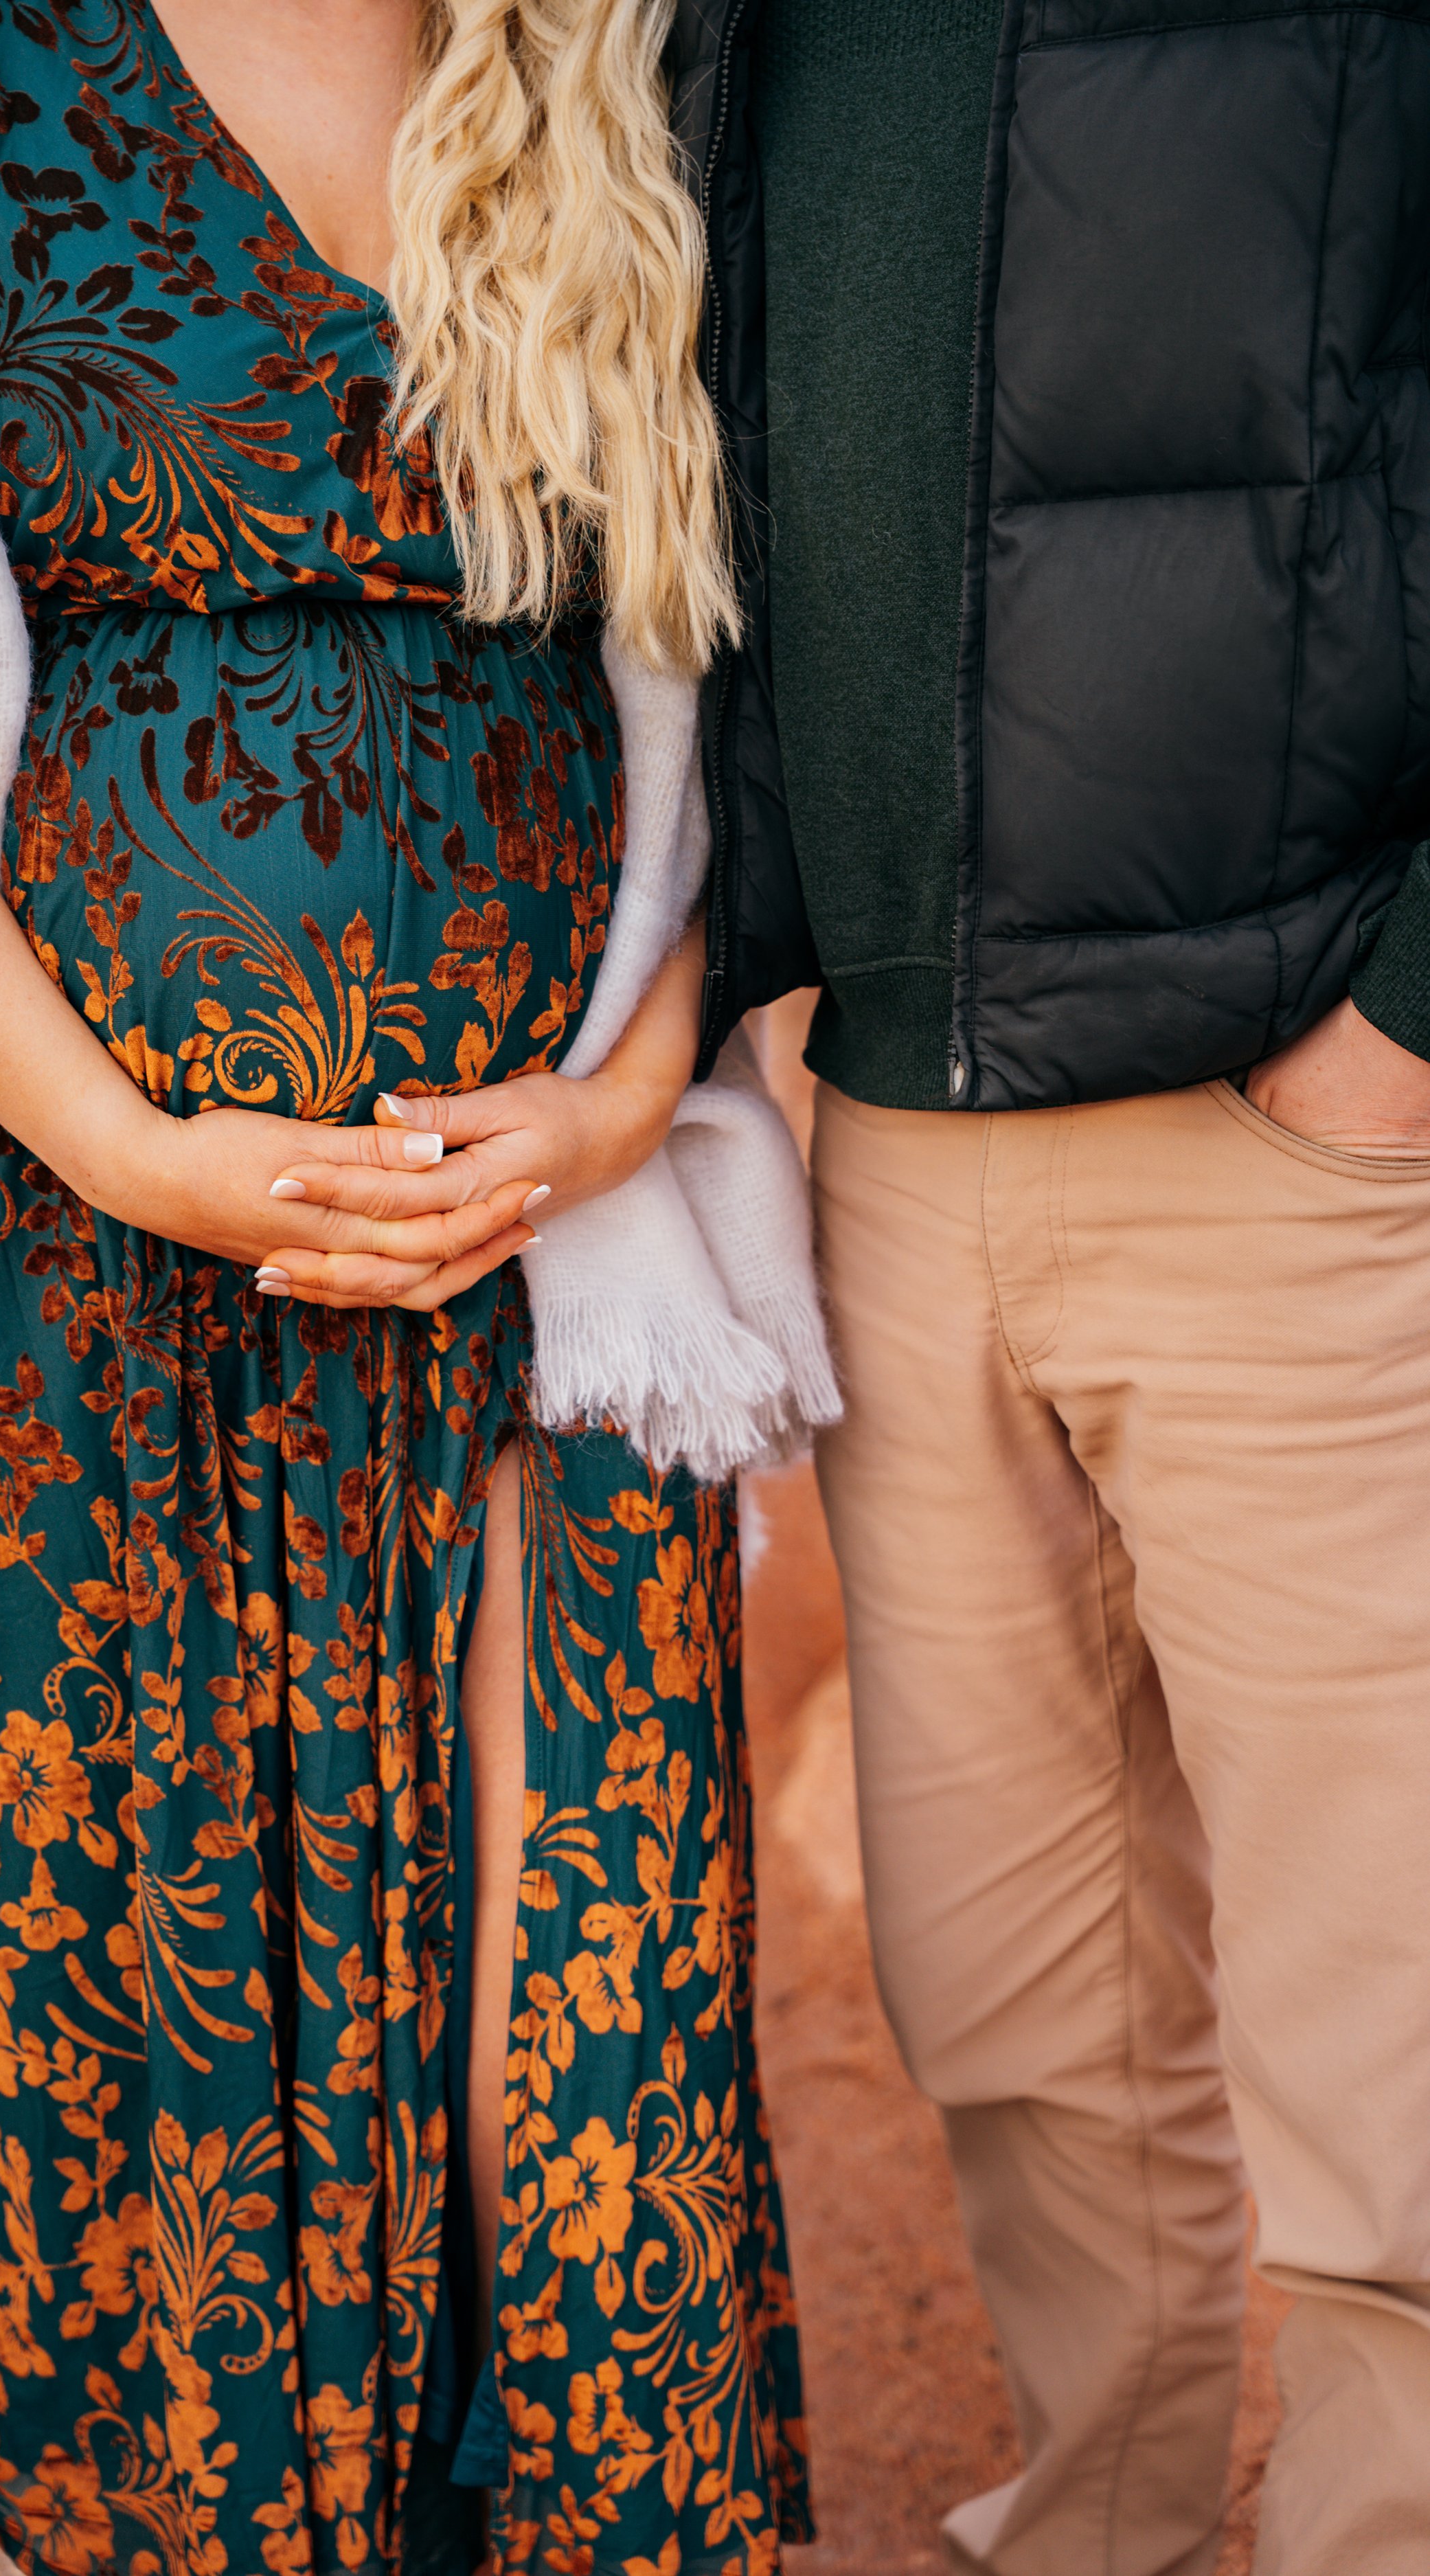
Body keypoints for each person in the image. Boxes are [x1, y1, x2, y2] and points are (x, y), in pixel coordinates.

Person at [0, 4, 813, 2571]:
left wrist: (629, 1093)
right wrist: (118, 1135)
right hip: (38, 1273)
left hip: (540, 1277)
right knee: (66, 2074)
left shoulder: (618, 54)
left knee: (562, 2072)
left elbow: (765, 678)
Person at [670, 3, 1430, 2573]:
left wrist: (1408, 1032)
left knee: (1390, 2054)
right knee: (1015, 1999)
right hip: (883, 1119)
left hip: (1300, 1129)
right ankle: (1104, 2535)